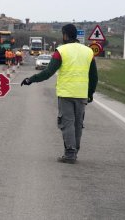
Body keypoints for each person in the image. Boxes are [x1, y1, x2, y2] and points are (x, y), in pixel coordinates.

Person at [21, 24, 98, 164]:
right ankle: (74, 151)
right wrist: (90, 93)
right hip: (81, 94)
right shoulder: (88, 52)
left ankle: (70, 154)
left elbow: (48, 72)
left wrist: (30, 79)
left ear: (65, 35)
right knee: (78, 124)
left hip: (66, 93)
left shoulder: (61, 51)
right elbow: (94, 77)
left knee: (67, 123)